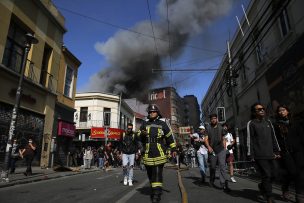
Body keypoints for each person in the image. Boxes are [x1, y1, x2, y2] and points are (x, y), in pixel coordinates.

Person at [138, 104, 177, 203]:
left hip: (159, 152)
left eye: (153, 112)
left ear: (157, 113)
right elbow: (137, 136)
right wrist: (141, 134)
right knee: (150, 175)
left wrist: (173, 149)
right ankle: (154, 189)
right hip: (147, 153)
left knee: (157, 174)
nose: (151, 113)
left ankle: (156, 195)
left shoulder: (163, 124)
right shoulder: (144, 123)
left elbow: (169, 137)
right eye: (150, 112)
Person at [247, 103, 281, 203]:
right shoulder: (251, 123)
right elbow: (250, 140)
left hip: (271, 153)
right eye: (259, 109)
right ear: (254, 112)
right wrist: (251, 154)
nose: (262, 110)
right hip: (259, 154)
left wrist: (277, 150)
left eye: (263, 109)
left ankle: (262, 186)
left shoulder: (268, 122)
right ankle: (269, 196)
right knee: (267, 174)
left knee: (275, 174)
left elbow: (273, 137)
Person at [274, 105, 304, 202]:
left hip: (298, 151)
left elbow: (301, 136)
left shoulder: (295, 122)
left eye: (283, 110)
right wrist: (277, 151)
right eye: (279, 111)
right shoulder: (276, 125)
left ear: (287, 111)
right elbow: (276, 140)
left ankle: (299, 195)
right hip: (285, 152)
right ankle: (285, 188)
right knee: (292, 172)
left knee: (299, 173)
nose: (281, 112)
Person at [205, 114, 231, 192]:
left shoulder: (221, 127)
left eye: (215, 118)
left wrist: (224, 148)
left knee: (222, 166)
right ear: (210, 120)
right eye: (212, 119)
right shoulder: (208, 128)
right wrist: (209, 147)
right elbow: (206, 139)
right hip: (212, 150)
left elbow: (223, 138)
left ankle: (223, 184)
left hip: (221, 149)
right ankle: (211, 180)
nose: (213, 120)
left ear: (217, 119)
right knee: (212, 167)